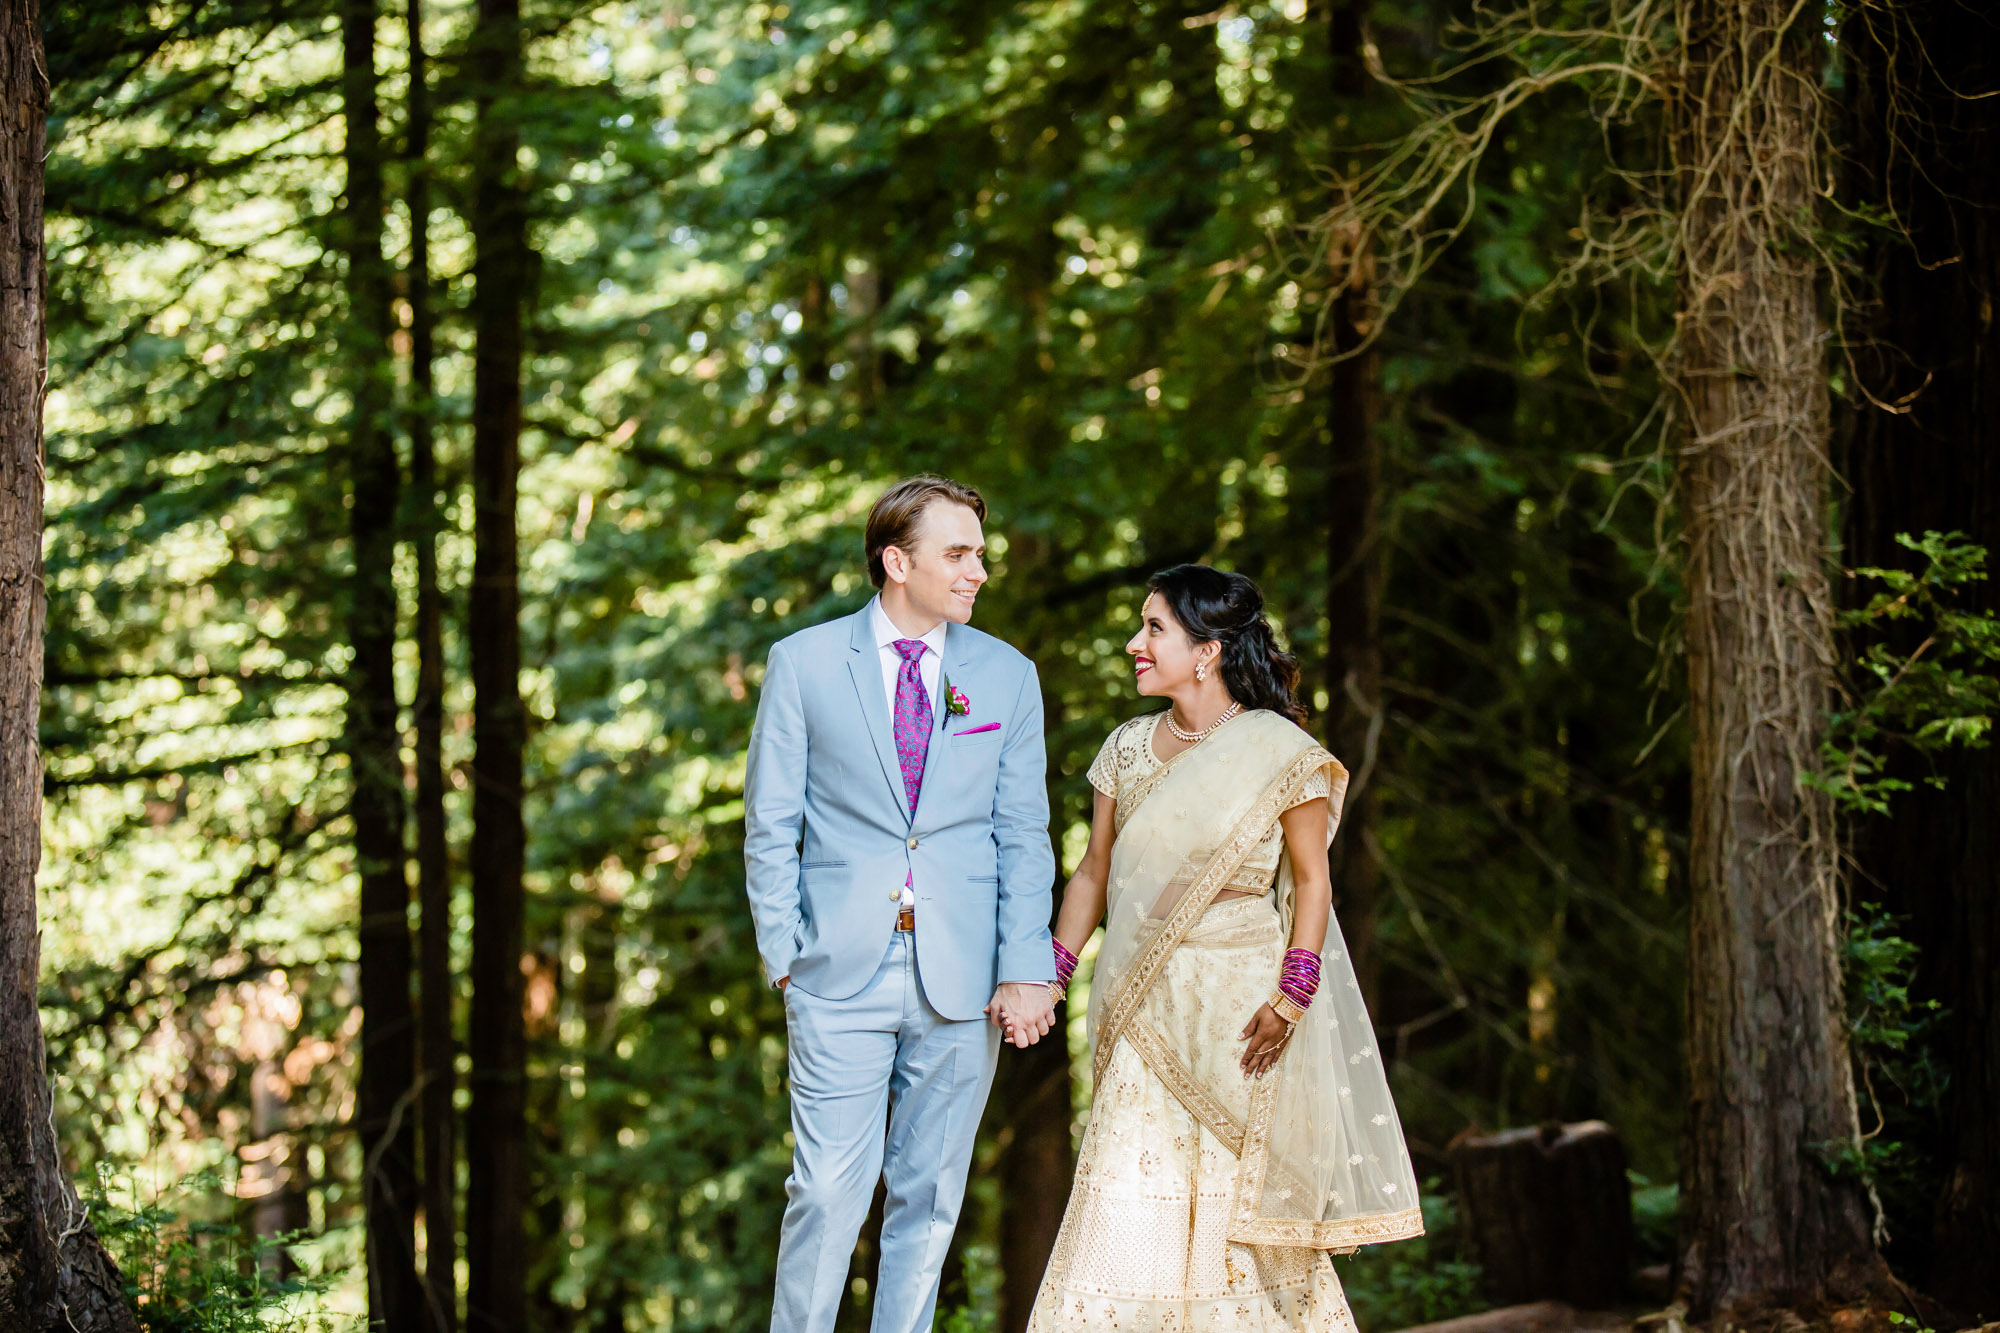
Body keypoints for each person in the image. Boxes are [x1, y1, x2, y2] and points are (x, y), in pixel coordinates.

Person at [1027, 565, 1423, 1333]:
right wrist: (1054, 973)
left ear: (1207, 650)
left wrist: (1292, 993)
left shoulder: (1280, 751)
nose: (1134, 644)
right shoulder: (1128, 748)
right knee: (1126, 1189)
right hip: (1140, 1001)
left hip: (1243, 1009)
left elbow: (1313, 884)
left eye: (1154, 629)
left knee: (1240, 1202)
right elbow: (1094, 871)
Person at [744, 475, 1059, 1333]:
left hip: (963, 980)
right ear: (896, 561)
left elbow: (1024, 834)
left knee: (929, 1201)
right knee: (825, 1194)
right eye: (958, 554)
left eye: (981, 554)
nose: (978, 572)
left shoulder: (1007, 675)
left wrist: (1027, 965)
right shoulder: (804, 663)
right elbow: (770, 823)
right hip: (837, 971)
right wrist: (786, 956)